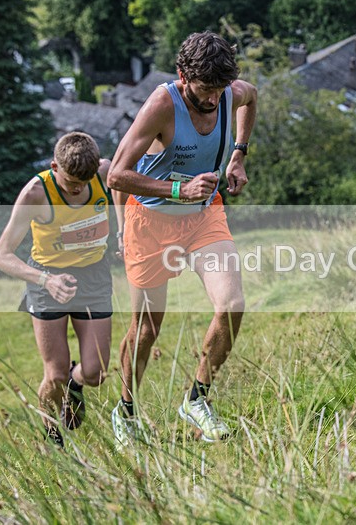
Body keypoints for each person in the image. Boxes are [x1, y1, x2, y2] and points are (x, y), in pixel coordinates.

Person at [107, 31, 257, 446]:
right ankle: (126, 409)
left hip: (203, 216)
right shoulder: (162, 104)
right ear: (182, 76)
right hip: (150, 221)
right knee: (146, 329)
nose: (212, 100)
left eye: (219, 90)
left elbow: (252, 96)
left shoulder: (230, 92)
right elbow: (116, 174)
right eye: (205, 90)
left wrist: (239, 155)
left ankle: (197, 399)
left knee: (232, 304)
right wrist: (178, 190)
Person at [0, 132, 113, 447]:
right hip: (48, 282)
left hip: (94, 278)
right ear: (54, 167)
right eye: (71, 182)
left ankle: (77, 383)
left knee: (96, 373)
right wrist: (46, 280)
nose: (77, 189)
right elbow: (1, 254)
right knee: (55, 373)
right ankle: (51, 433)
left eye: (83, 183)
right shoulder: (36, 193)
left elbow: (125, 192)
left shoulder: (102, 172)